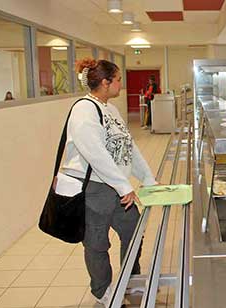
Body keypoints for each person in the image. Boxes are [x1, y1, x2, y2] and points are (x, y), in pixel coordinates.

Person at [60, 58, 156, 306]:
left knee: (133, 230)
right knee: (97, 242)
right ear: (105, 82)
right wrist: (124, 186)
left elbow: (128, 148)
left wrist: (147, 178)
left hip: (115, 186)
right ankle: (103, 290)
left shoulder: (110, 109)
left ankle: (130, 279)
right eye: (118, 79)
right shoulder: (83, 109)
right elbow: (95, 154)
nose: (121, 84)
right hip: (93, 188)